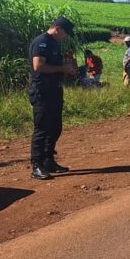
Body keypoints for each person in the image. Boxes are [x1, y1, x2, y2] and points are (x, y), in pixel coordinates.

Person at [27, 15, 77, 180]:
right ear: (58, 29)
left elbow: (55, 66)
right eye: (66, 33)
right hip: (42, 91)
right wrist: (62, 68)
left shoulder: (54, 43)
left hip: (54, 90)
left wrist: (67, 69)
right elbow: (38, 66)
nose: (66, 37)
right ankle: (37, 165)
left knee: (55, 128)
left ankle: (48, 161)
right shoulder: (41, 42)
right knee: (42, 129)